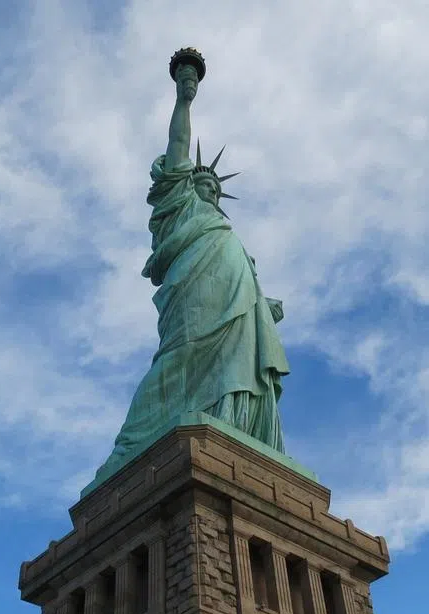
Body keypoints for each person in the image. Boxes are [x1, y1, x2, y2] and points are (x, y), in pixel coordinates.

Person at [92, 61, 291, 482]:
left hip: (237, 300)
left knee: (239, 364)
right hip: (192, 293)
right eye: (204, 183)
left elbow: (249, 278)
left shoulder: (224, 230)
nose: (211, 190)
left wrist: (261, 303)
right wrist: (184, 97)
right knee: (177, 361)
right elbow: (179, 142)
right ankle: (134, 445)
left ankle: (234, 426)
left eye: (216, 189)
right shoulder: (179, 206)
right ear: (184, 184)